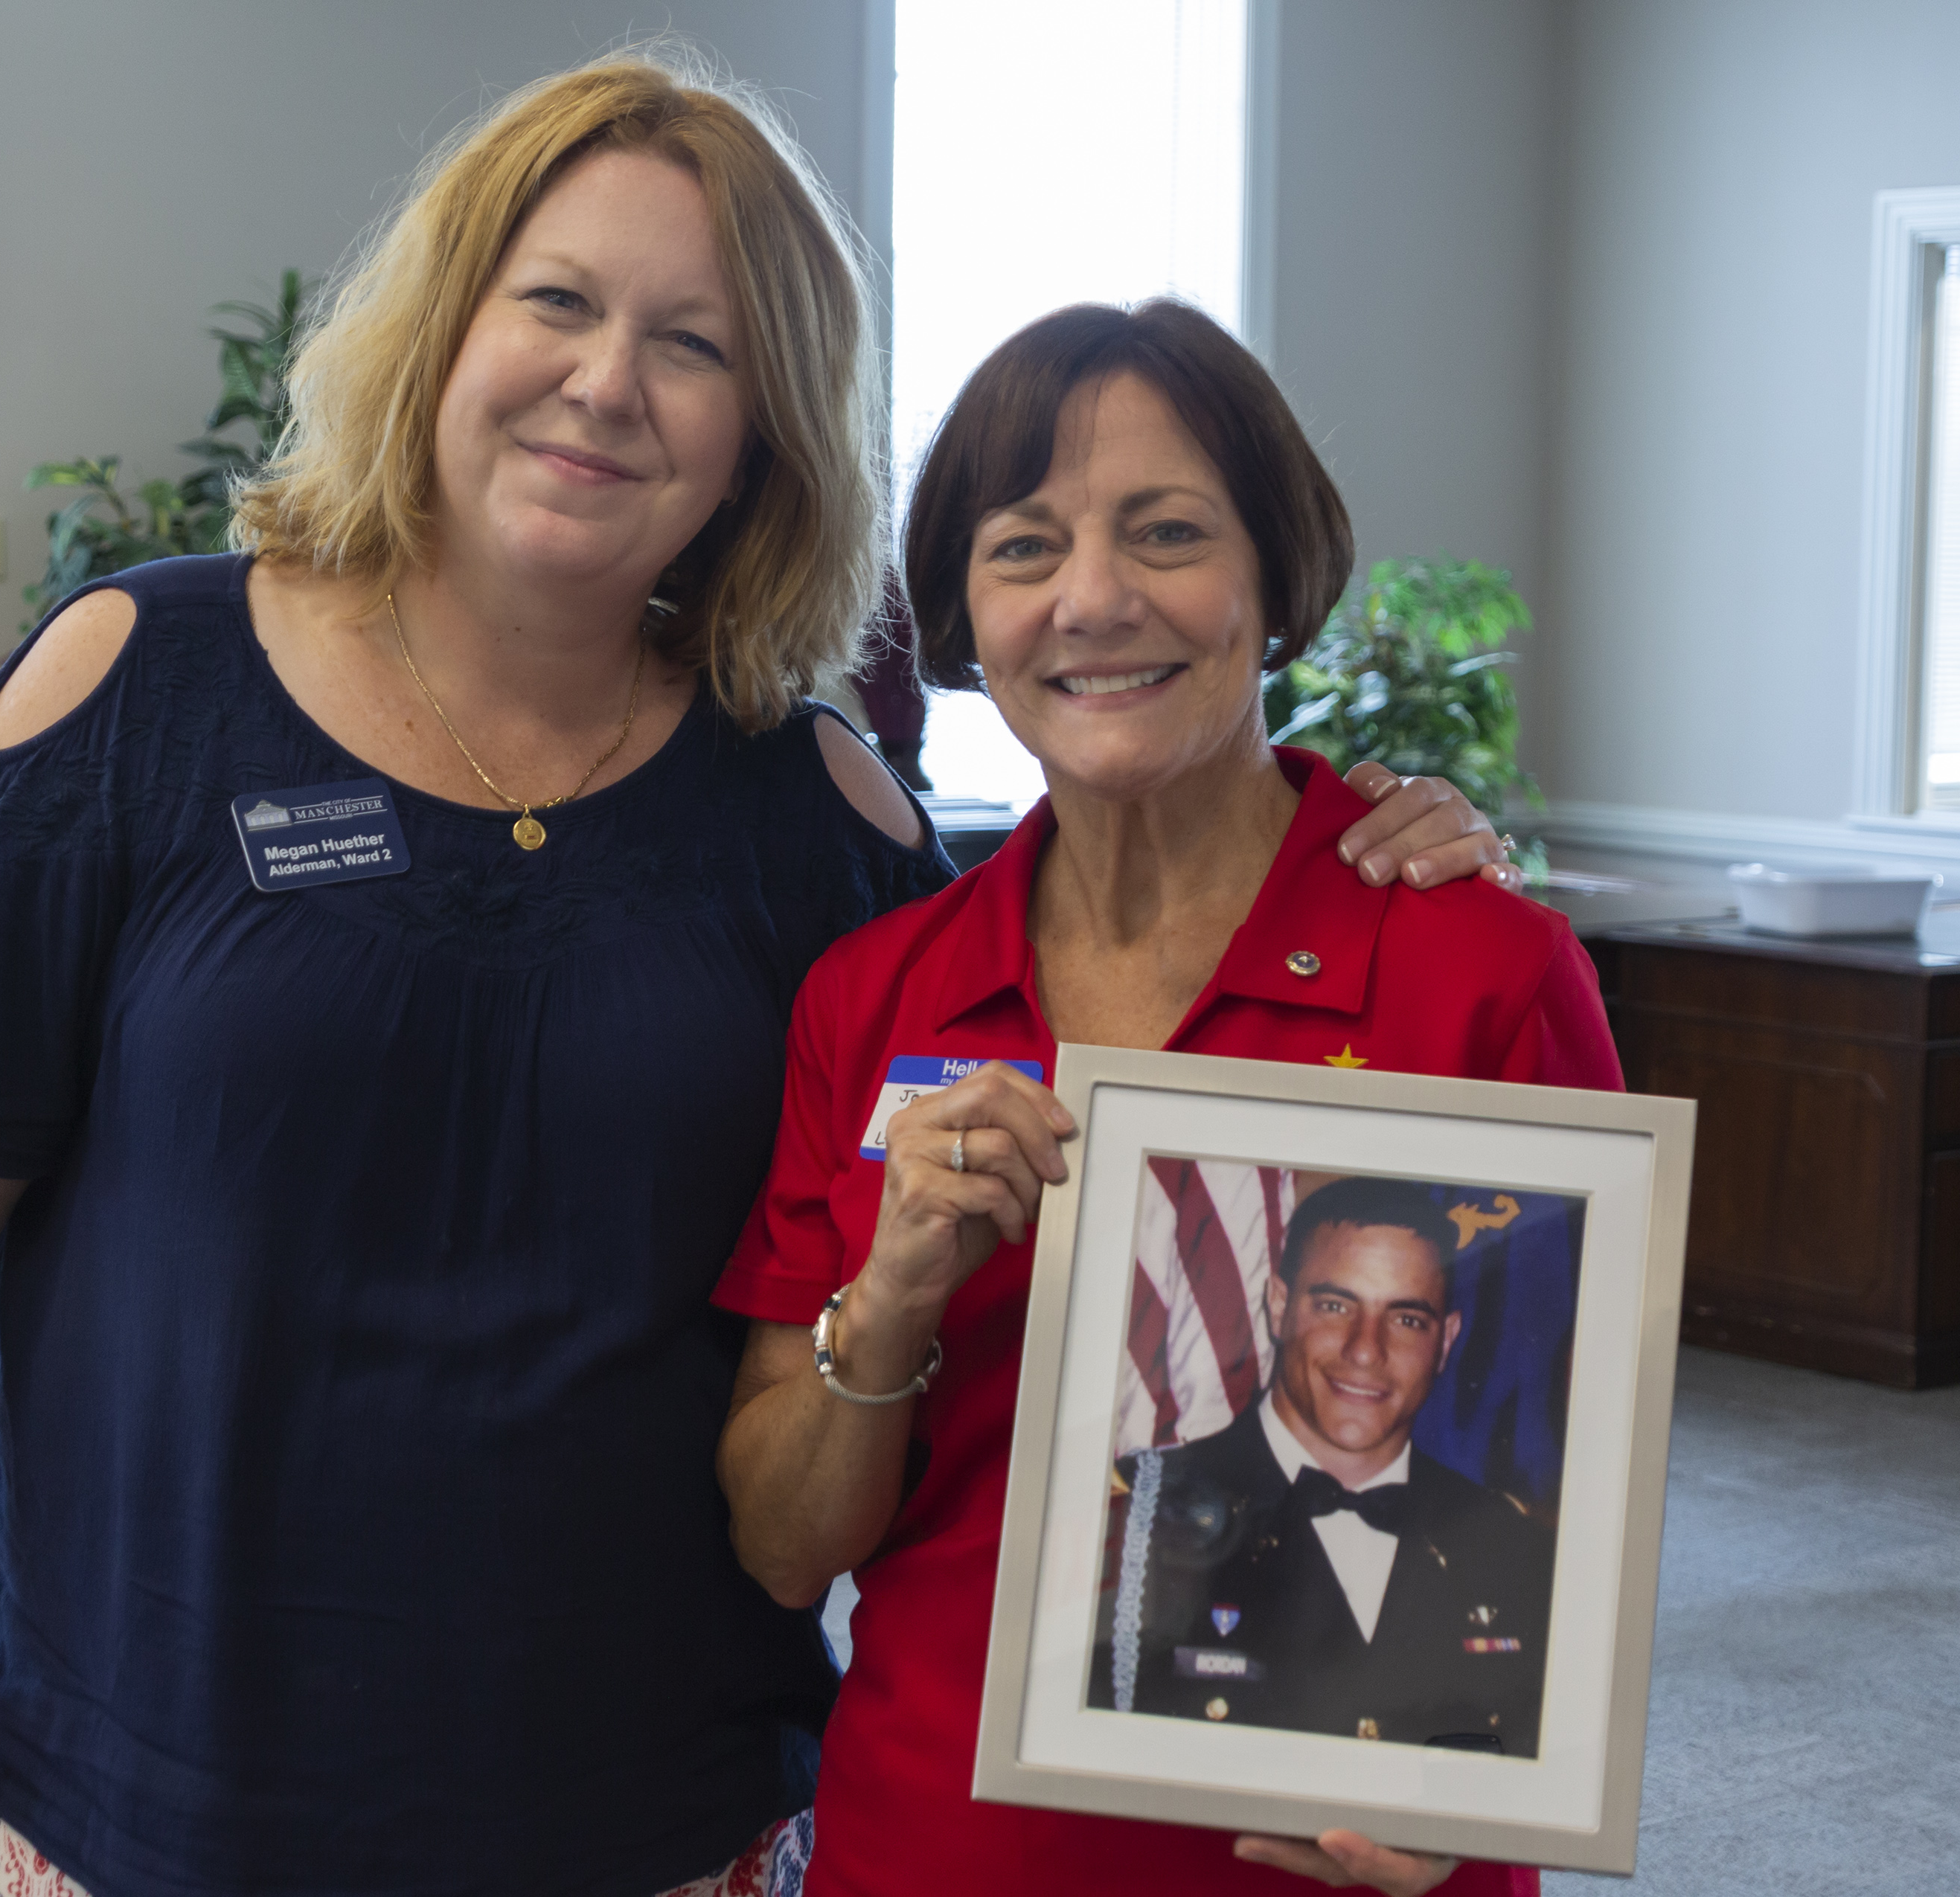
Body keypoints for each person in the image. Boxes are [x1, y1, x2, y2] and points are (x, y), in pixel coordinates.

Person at [0, 57, 1516, 1897]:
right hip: (161, 1806)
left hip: (653, 1823)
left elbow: (1058, 1143)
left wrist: (1367, 824)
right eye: (557, 301)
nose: (607, 383)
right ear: (443, 326)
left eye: (693, 344)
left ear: (760, 430)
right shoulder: (130, 688)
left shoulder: (819, 815)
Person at [714, 298, 1623, 1897]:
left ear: (1275, 582)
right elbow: (789, 1548)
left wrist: (1476, 1797)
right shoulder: (875, 997)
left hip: (1353, 1859)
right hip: (938, 1848)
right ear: (962, 619)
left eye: (1169, 532)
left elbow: (1568, 1493)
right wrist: (896, 1296)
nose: (1096, 600)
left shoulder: (1483, 970)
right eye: (1023, 547)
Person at [1099, 1175, 1554, 1759]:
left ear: (1447, 1341)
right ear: (1280, 1306)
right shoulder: (1141, 1512)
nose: (1366, 1350)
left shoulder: (1507, 1542)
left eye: (1407, 1319)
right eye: (1336, 1306)